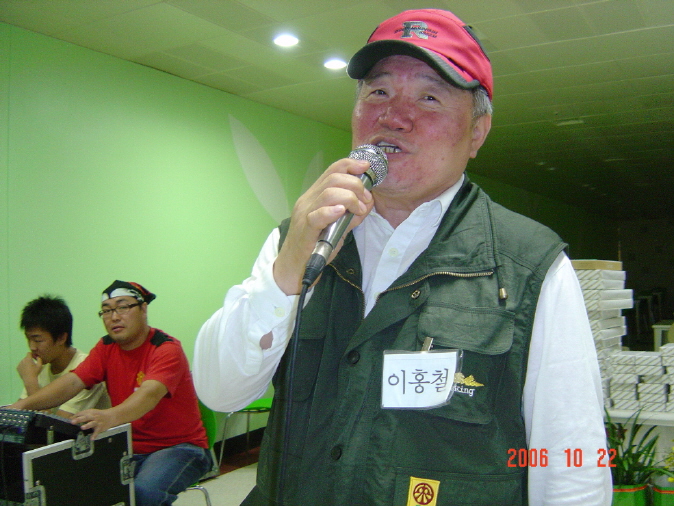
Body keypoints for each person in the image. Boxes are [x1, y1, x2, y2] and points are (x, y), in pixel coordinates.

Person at [194, 9, 611, 506]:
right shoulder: (303, 237)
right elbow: (220, 391)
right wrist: (288, 269)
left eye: (429, 97)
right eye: (378, 92)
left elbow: (572, 462)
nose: (393, 117)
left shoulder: (529, 264)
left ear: (477, 133)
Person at [10, 281, 212, 506]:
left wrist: (109, 416)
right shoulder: (106, 347)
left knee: (142, 493)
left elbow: (149, 394)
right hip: (127, 448)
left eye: (122, 307)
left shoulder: (166, 348)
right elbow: (72, 382)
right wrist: (20, 407)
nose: (114, 317)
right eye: (106, 311)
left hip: (180, 448)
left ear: (143, 309)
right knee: (69, 486)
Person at [17, 295, 110, 418]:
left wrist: (30, 383)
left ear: (61, 338)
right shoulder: (39, 367)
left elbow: (57, 426)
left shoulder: (87, 369)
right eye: (28, 339)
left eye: (38, 340)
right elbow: (18, 417)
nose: (32, 347)